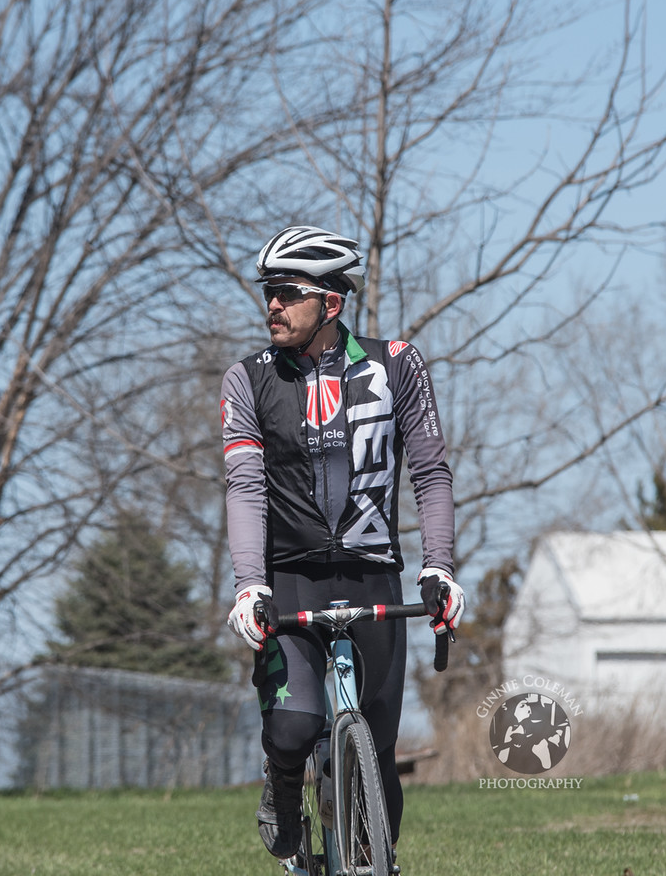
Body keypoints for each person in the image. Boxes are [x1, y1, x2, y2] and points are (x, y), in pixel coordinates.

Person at [221, 226, 466, 861]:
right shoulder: (246, 379)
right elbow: (245, 487)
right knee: (295, 726)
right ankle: (282, 784)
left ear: (331, 302)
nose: (272, 304)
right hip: (290, 577)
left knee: (376, 754)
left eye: (287, 292)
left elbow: (430, 472)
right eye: (268, 292)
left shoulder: (397, 364)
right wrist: (249, 584)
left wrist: (439, 569)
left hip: (372, 571)